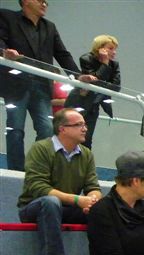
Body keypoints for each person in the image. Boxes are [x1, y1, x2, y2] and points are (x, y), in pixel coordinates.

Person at [0, 0, 96, 171]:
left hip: (42, 84)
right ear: (25, 1)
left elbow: (62, 54)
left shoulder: (49, 27)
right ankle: (16, 170)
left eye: (46, 2)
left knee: (46, 129)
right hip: (16, 82)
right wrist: (4, 52)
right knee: (15, 129)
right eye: (40, 0)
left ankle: (34, 168)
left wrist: (78, 75)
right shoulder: (7, 17)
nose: (44, 4)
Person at [17, 108, 102, 255]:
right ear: (62, 129)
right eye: (79, 125)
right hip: (34, 207)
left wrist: (93, 200)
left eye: (84, 124)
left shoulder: (86, 154)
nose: (85, 128)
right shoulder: (41, 149)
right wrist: (77, 200)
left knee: (102, 209)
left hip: (66, 208)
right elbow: (38, 187)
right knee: (51, 202)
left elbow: (93, 186)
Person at [63, 34, 121, 149]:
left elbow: (116, 87)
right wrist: (105, 63)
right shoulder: (86, 58)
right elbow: (93, 82)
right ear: (100, 48)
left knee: (86, 139)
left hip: (94, 105)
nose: (114, 52)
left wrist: (100, 78)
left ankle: (83, 160)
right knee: (70, 136)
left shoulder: (114, 64)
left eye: (115, 49)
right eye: (111, 48)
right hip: (79, 102)